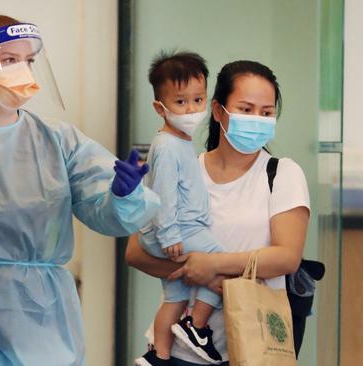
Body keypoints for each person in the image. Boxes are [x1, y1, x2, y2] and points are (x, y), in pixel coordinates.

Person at [0, 15, 160, 366]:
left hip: (42, 325)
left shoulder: (59, 141)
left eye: (29, 61)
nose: (23, 70)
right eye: (9, 60)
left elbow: (108, 215)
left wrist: (123, 195)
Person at [127, 60, 310, 366]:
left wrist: (212, 266)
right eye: (246, 109)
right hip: (176, 352)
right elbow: (136, 251)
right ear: (217, 111)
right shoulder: (186, 167)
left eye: (266, 112)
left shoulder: (282, 174)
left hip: (250, 347)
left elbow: (286, 257)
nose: (257, 119)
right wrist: (200, 275)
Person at [136, 51, 225, 366]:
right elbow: (164, 195)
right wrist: (170, 233)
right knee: (223, 266)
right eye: (181, 102)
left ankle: (158, 356)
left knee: (173, 299)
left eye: (198, 100)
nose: (192, 109)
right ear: (160, 108)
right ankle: (197, 326)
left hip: (175, 230)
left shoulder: (179, 141)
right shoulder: (168, 146)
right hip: (178, 230)